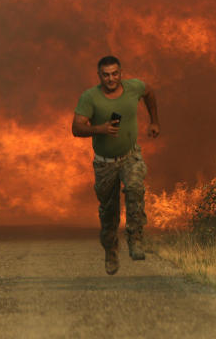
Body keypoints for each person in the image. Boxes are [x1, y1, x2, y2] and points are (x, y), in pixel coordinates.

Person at [71, 55, 160, 275]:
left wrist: (154, 121)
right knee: (109, 213)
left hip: (130, 156)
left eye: (115, 74)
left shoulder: (134, 87)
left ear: (121, 73)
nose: (111, 79)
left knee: (135, 188)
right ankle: (111, 250)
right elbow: (76, 128)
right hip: (105, 163)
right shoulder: (90, 98)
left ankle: (135, 238)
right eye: (106, 75)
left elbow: (150, 93)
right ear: (99, 75)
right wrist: (99, 129)